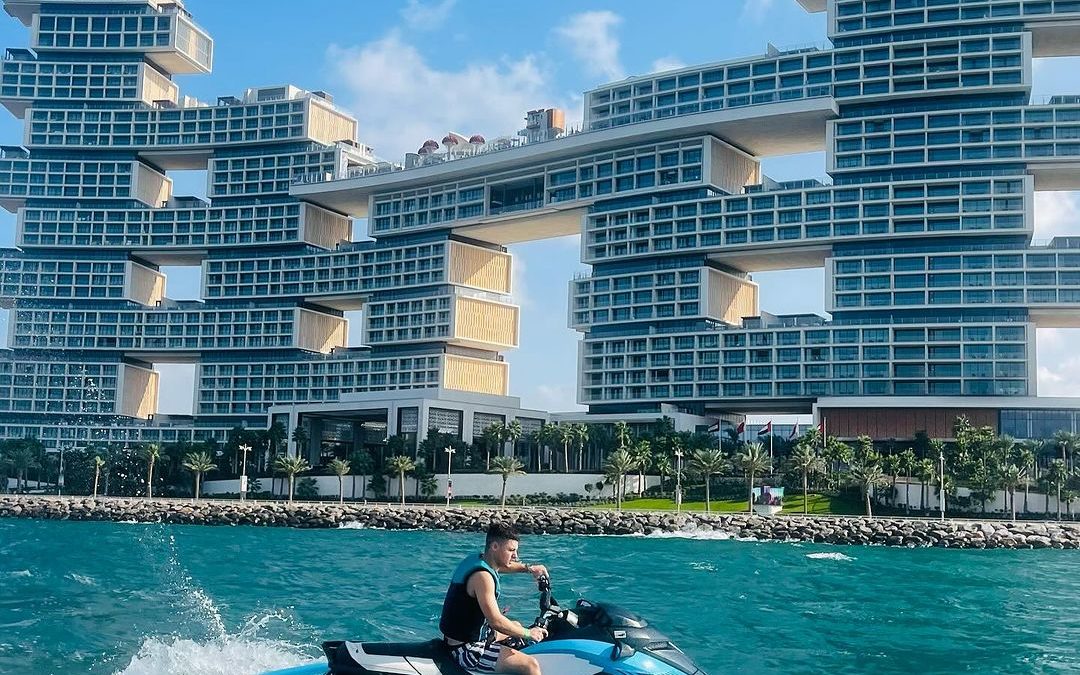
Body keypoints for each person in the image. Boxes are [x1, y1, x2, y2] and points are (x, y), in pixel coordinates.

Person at [440, 522, 549, 674]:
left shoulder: (478, 559)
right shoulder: (482, 577)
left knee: (515, 625)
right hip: (467, 650)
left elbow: (504, 566)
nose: (516, 555)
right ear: (495, 546)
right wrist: (528, 633)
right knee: (530, 666)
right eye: (511, 550)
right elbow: (496, 621)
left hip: (462, 639)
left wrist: (530, 568)